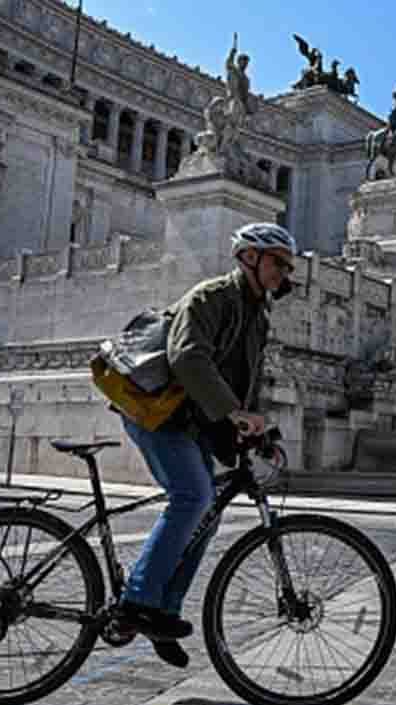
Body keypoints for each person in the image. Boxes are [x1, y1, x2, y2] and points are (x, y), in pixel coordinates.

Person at [114, 222, 297, 668]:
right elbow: (188, 357)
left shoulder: (257, 315)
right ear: (250, 258)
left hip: (189, 420)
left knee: (207, 512)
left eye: (288, 265)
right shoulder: (211, 297)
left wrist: (255, 430)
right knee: (193, 495)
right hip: (154, 410)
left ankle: (162, 612)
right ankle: (136, 601)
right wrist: (234, 412)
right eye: (278, 262)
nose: (284, 272)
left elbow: (242, 383)